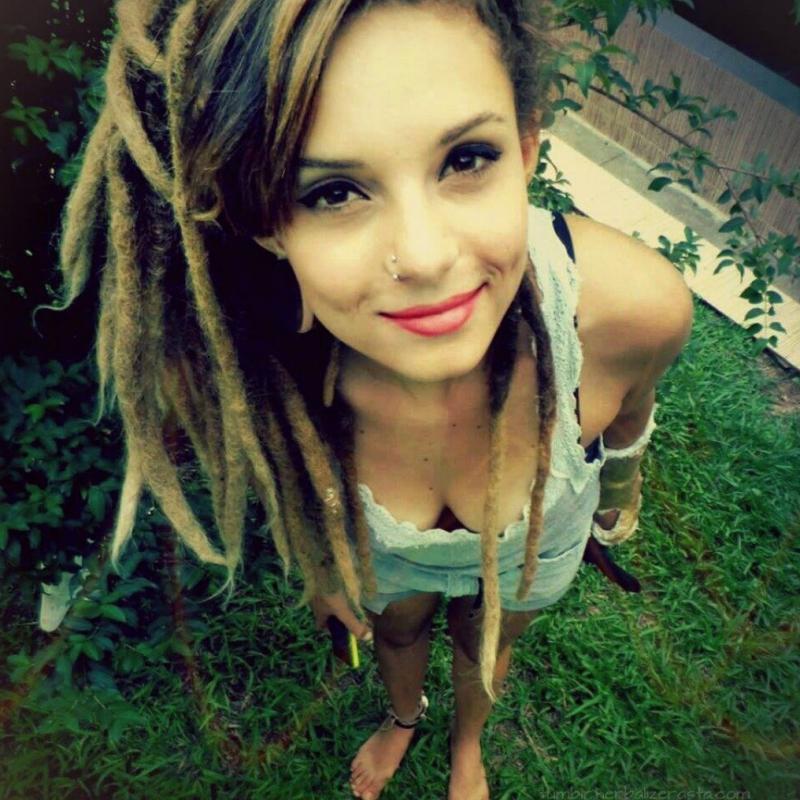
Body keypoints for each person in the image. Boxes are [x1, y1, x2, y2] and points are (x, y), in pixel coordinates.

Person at [52, 0, 693, 798]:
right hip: (381, 558)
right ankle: (402, 717)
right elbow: (290, 490)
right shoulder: (259, 369)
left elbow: (630, 418)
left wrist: (617, 499)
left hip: (540, 547)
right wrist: (324, 571)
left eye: (467, 158)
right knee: (398, 633)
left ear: (527, 148)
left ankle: (467, 745)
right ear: (267, 224)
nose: (423, 257)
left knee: (488, 644)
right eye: (333, 192)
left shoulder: (633, 309)